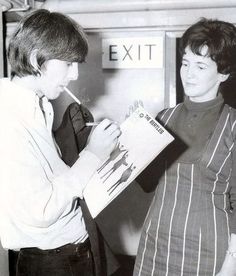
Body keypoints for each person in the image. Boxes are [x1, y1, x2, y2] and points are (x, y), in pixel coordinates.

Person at [0, 9, 121, 276]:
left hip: (70, 255)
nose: (75, 75)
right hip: (51, 264)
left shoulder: (40, 105)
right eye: (68, 64)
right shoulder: (7, 118)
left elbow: (55, 179)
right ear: (35, 59)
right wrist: (92, 154)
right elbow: (41, 210)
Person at [133, 18, 236, 276]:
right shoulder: (164, 118)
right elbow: (146, 183)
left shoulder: (233, 125)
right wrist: (133, 139)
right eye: (185, 63)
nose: (188, 73)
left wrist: (231, 265)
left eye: (200, 66)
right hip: (155, 245)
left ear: (223, 73)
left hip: (208, 251)